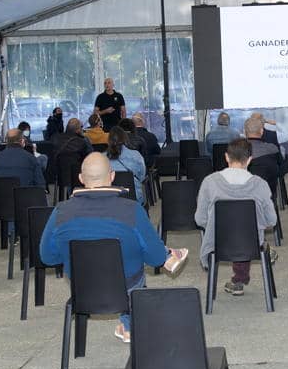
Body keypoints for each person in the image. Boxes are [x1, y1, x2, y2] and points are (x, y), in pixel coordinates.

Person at [38, 152, 188, 343]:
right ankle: (130, 324)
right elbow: (155, 258)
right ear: (112, 176)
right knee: (140, 256)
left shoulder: (60, 211)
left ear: (81, 178)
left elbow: (47, 257)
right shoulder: (132, 209)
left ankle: (128, 325)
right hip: (127, 286)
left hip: (82, 287)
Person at [194, 137, 277, 297]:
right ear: (250, 159)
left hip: (218, 242)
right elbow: (271, 220)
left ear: (226, 157)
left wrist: (219, 227)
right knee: (246, 233)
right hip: (251, 243)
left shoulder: (209, 182)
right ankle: (261, 248)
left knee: (235, 233)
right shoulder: (260, 184)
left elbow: (200, 219)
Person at [105, 127, 147, 205]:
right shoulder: (136, 155)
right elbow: (142, 177)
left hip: (108, 199)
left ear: (108, 140)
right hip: (133, 198)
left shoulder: (100, 158)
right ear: (125, 139)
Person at [53, 118, 90, 185]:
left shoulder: (56, 139)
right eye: (81, 127)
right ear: (77, 129)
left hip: (59, 174)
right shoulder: (82, 142)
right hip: (78, 177)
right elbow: (89, 157)